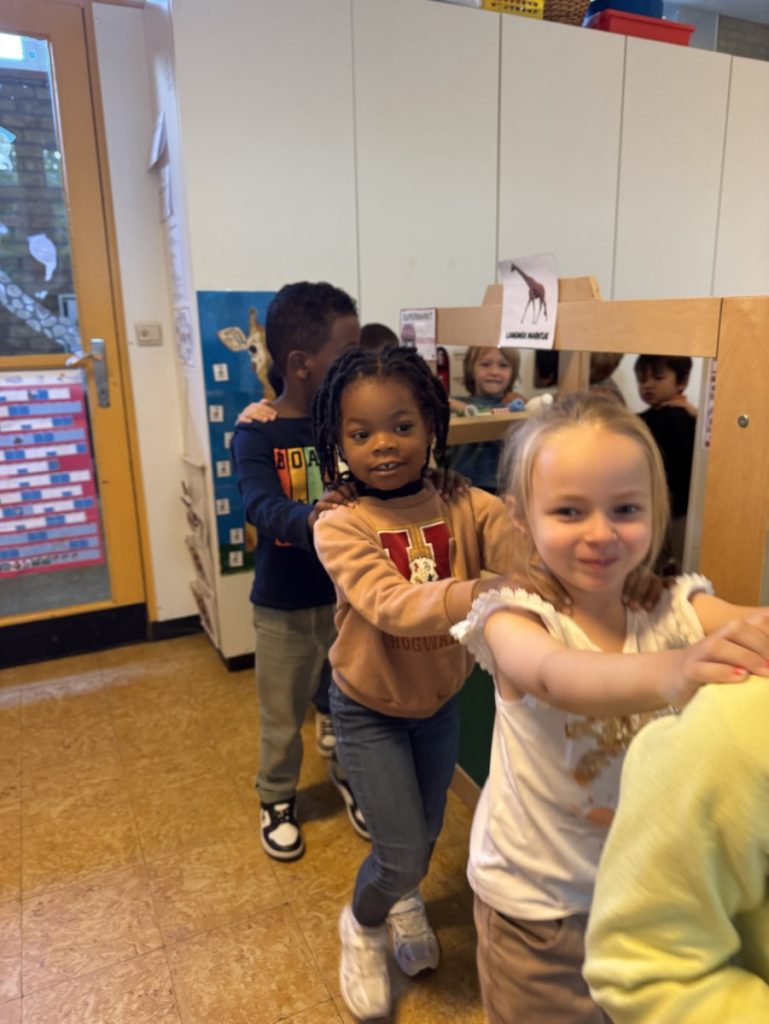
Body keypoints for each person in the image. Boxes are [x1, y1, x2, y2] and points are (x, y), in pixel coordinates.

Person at [449, 391, 769, 1024]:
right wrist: (676, 669)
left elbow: (748, 623)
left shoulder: (672, 607)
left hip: (644, 897)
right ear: (521, 517)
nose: (601, 533)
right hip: (538, 910)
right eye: (569, 511)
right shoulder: (515, 616)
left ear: (656, 510)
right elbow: (556, 676)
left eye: (625, 509)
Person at [310, 346, 515, 1020]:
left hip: (438, 703)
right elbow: (388, 603)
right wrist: (480, 591)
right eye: (360, 433)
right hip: (367, 708)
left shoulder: (464, 502)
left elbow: (521, 547)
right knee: (398, 853)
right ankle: (362, 924)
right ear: (338, 442)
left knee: (422, 838)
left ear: (431, 424)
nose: (383, 445)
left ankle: (403, 898)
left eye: (401, 426)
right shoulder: (340, 521)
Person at [230, 280, 366, 862]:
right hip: (283, 604)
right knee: (281, 714)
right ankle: (277, 796)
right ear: (301, 363)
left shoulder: (347, 425)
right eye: (347, 352)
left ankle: (351, 775)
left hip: (346, 600)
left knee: (351, 701)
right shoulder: (256, 431)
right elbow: (260, 505)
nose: (357, 364)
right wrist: (314, 518)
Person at [584, 675, 769, 1023]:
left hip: (639, 886)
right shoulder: (734, 726)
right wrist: (677, 672)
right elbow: (545, 673)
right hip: (547, 899)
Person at [634, 353, 697, 572]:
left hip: (681, 509)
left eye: (658, 377)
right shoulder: (643, 420)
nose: (648, 385)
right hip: (655, 506)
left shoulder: (684, 417)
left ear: (683, 381)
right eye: (642, 379)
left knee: (683, 561)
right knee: (652, 561)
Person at [448, 345, 525, 493]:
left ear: (513, 372)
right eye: (485, 364)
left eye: (503, 365)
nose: (494, 372)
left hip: (503, 488)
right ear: (471, 369)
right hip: (463, 487)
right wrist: (459, 407)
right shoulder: (456, 404)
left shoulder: (515, 406)